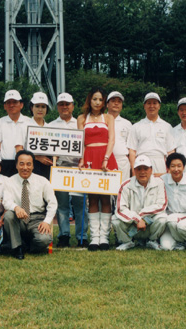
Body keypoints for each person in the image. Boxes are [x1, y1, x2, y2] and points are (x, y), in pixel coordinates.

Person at [77, 87, 118, 251]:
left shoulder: (108, 117)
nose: (98, 102)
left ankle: (104, 238)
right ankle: (94, 237)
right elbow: (79, 141)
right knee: (92, 198)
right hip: (89, 157)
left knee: (106, 198)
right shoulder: (81, 118)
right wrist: (81, 159)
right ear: (89, 100)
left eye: (101, 100)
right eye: (95, 99)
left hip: (105, 157)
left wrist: (106, 159)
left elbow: (112, 139)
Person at [48, 92, 89, 248]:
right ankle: (64, 235)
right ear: (57, 106)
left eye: (67, 104)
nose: (64, 107)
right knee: (62, 204)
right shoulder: (51, 125)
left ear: (73, 105)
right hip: (61, 167)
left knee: (80, 204)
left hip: (78, 167)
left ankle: (82, 236)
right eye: (61, 104)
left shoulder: (80, 123)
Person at [3, 150, 57, 260]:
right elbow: (6, 201)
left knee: (44, 240)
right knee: (9, 215)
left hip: (37, 219)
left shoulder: (43, 181)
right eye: (21, 164)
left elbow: (52, 203)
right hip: (20, 218)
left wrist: (46, 222)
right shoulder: (10, 181)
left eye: (29, 164)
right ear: (16, 165)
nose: (25, 167)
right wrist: (16, 207)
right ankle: (17, 248)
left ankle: (26, 246)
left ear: (33, 165)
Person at [112, 155, 168, 251]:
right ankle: (127, 242)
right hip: (132, 224)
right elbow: (120, 209)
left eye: (146, 168)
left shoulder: (159, 182)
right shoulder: (126, 185)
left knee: (163, 219)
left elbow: (161, 205)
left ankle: (152, 241)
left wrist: (141, 216)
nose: (142, 172)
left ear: (151, 170)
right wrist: (137, 219)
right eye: (139, 169)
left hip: (149, 223)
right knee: (115, 220)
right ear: (134, 170)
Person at [127, 92, 174, 176]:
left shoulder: (167, 126)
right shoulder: (136, 126)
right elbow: (132, 151)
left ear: (159, 106)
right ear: (144, 106)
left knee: (160, 187)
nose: (152, 106)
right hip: (141, 162)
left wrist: (171, 169)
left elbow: (171, 151)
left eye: (155, 103)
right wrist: (134, 170)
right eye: (149, 103)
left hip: (160, 162)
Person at [159, 152, 186, 251]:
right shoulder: (163, 180)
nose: (176, 169)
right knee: (166, 247)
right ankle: (183, 240)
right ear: (168, 168)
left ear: (184, 167)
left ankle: (182, 241)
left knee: (172, 220)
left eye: (179, 166)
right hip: (170, 218)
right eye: (173, 166)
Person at [0, 89, 31, 177]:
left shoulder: (29, 122)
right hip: (4, 164)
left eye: (15, 102)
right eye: (8, 102)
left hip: (24, 165)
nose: (11, 105)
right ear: (4, 106)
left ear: (21, 105)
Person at [106, 91, 132, 181]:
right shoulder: (101, 120)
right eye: (113, 101)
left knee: (122, 190)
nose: (116, 103)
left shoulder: (127, 124)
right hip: (104, 160)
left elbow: (131, 147)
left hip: (122, 161)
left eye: (119, 101)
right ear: (107, 104)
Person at [27, 91, 53, 179]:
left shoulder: (51, 127)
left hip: (47, 167)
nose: (40, 109)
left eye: (43, 106)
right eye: (37, 106)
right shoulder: (24, 126)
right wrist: (38, 157)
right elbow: (20, 150)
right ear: (31, 107)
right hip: (29, 166)